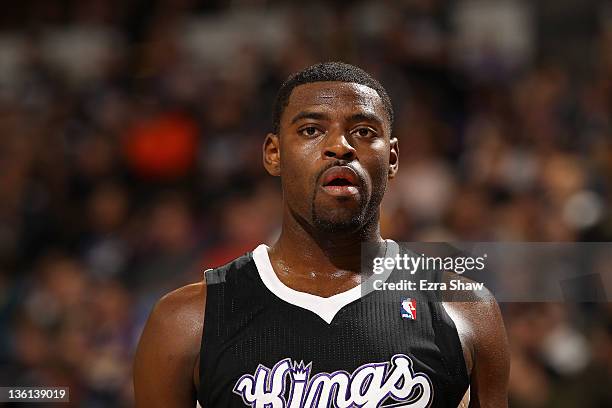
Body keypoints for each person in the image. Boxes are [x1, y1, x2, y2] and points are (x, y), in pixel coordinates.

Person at [133, 62, 509, 407]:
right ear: (273, 154)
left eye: (363, 131)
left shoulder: (464, 309)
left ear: (392, 158)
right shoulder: (186, 320)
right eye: (311, 130)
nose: (339, 147)